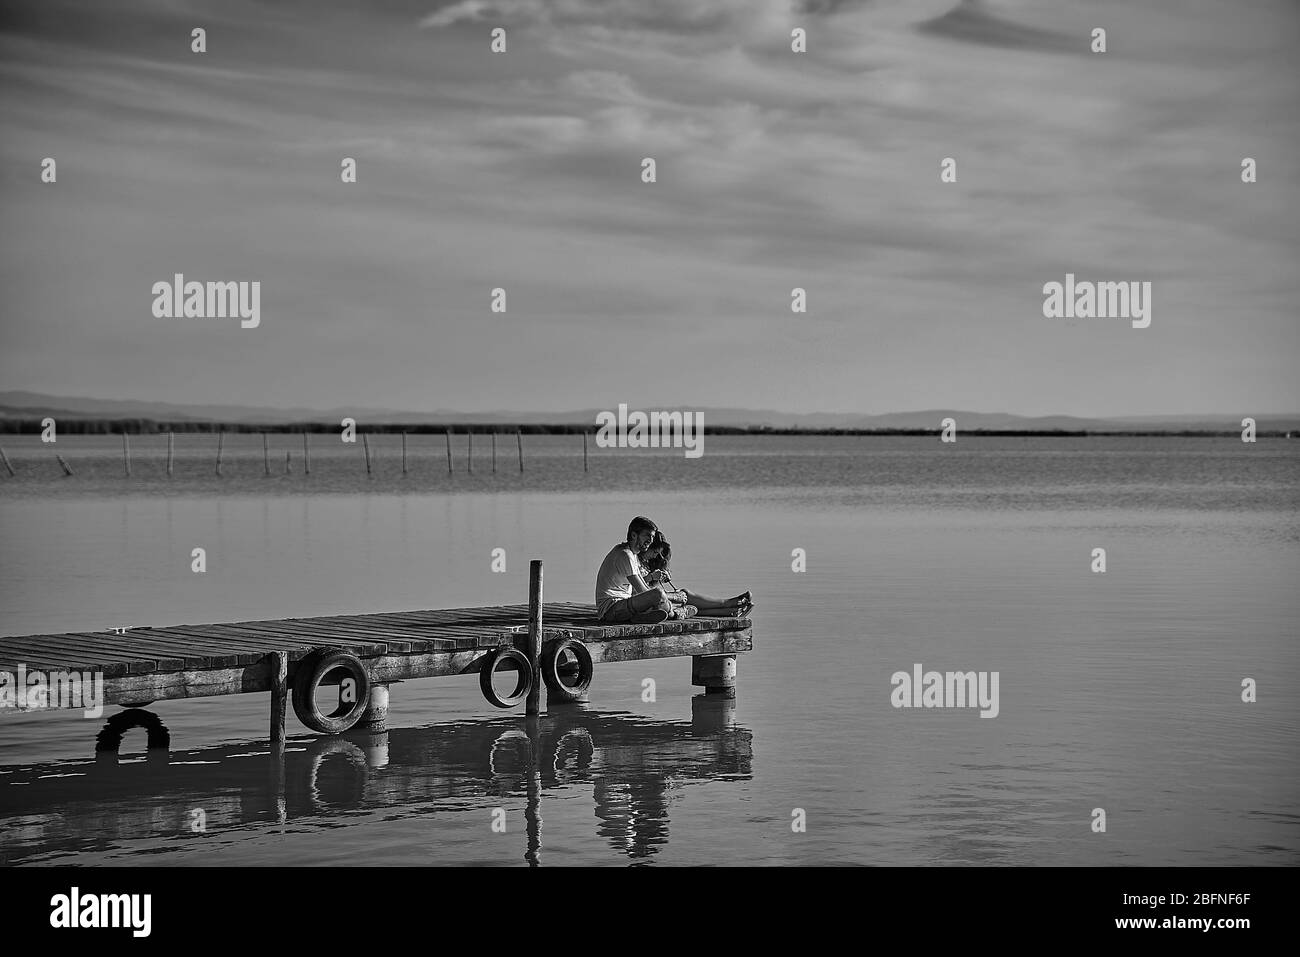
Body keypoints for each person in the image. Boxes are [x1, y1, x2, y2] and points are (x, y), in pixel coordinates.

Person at [642, 535, 753, 618]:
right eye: (656, 552)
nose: (658, 556)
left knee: (685, 597)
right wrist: (652, 577)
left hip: (656, 599)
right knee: (685, 599)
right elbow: (641, 590)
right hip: (650, 603)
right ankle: (729, 606)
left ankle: (729, 609)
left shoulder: (646, 561)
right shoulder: (634, 560)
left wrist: (660, 576)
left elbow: (650, 585)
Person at [594, 517, 676, 624]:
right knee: (658, 594)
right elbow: (642, 590)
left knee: (658, 598)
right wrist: (672, 597)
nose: (650, 540)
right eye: (647, 535)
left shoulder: (633, 555)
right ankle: (675, 613)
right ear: (634, 535)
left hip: (623, 604)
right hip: (611, 609)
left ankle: (641, 616)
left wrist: (663, 598)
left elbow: (643, 589)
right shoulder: (625, 554)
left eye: (652, 536)